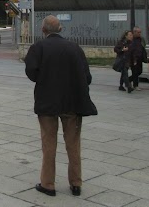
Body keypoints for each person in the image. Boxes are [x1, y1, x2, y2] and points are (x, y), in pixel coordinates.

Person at [24, 15, 98, 197]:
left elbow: (32, 73)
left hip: (47, 102)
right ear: (60, 29)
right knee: (73, 144)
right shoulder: (75, 48)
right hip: (72, 102)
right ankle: (76, 183)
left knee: (48, 143)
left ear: (43, 30)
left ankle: (48, 184)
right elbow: (87, 77)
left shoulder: (38, 48)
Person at [129, 26, 146, 91]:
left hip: (140, 58)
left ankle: (128, 79)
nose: (139, 34)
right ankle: (135, 85)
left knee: (139, 71)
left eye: (140, 32)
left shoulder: (141, 39)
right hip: (133, 58)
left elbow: (143, 46)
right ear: (134, 32)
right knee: (135, 72)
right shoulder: (131, 39)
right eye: (138, 32)